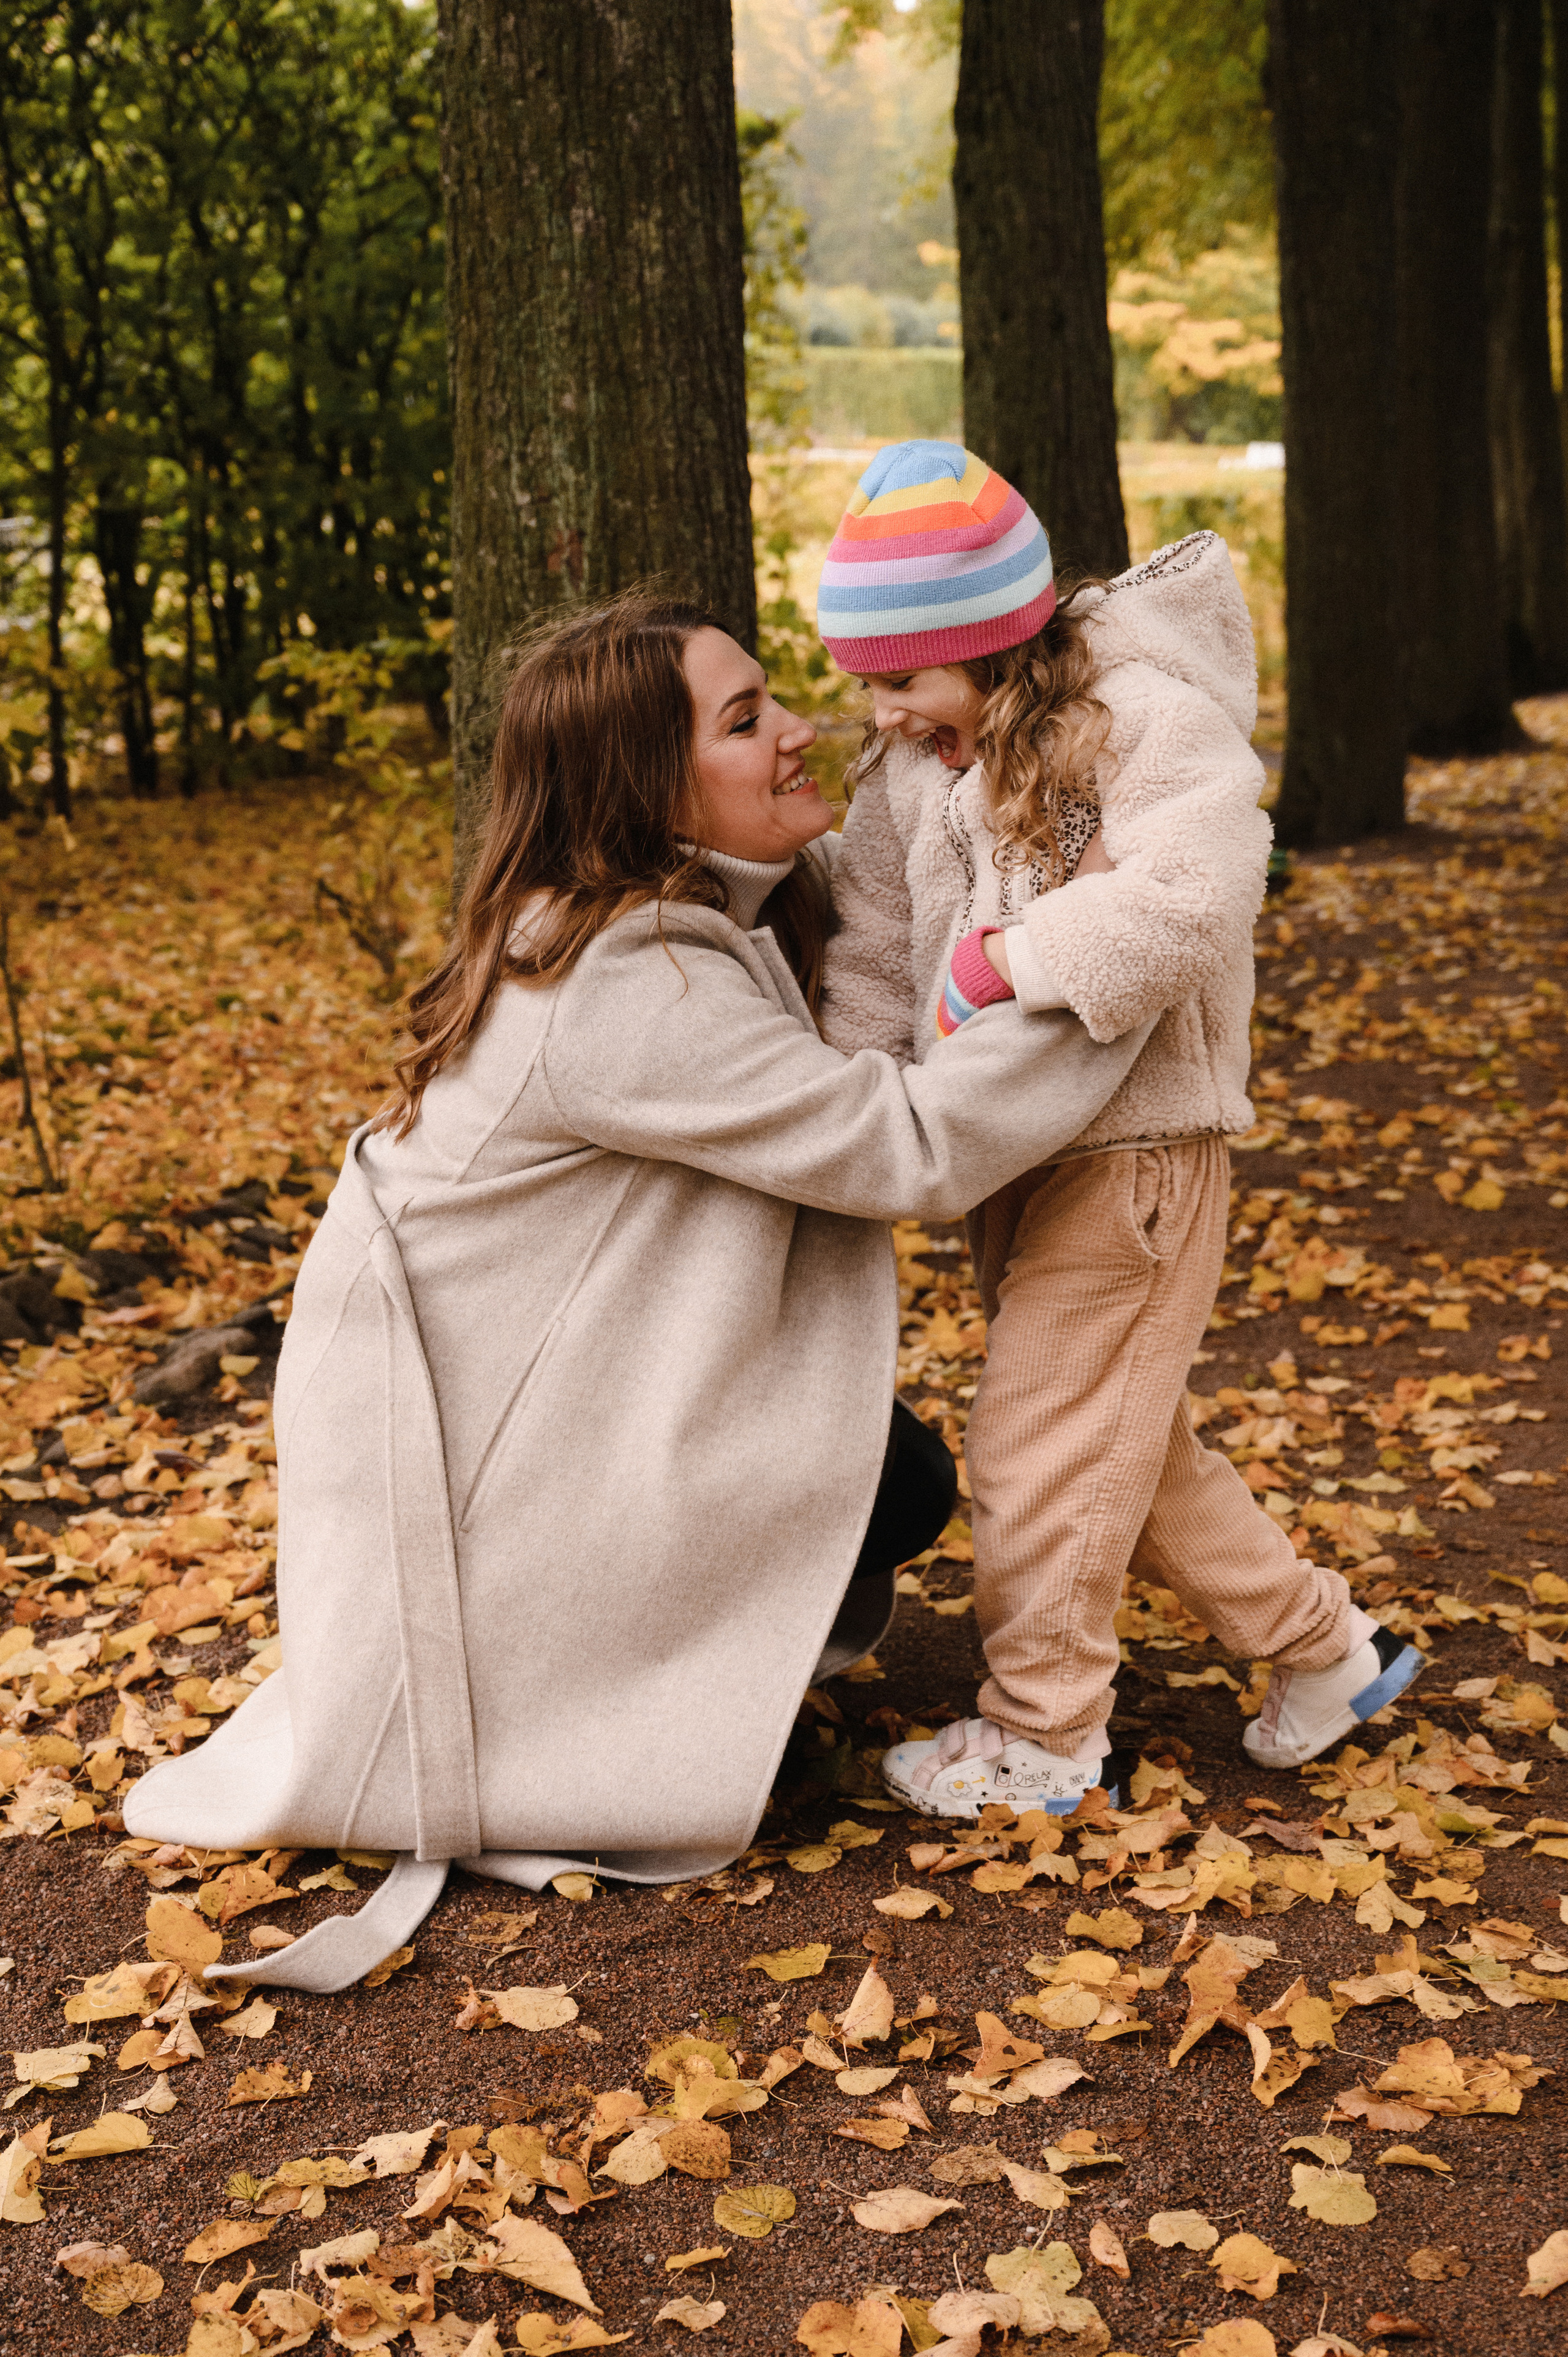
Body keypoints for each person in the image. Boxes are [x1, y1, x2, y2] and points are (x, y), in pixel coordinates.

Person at [123, 590, 1153, 1989]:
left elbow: (896, 887)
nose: (797, 731)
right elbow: (904, 1144)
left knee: (893, 1475)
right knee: (893, 1479)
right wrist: (1108, 974)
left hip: (528, 1401)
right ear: (643, 791)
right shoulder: (622, 982)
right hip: (471, 1462)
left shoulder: (666, 919)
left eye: (772, 695)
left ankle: (669, 1674)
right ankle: (588, 1712)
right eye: (743, 722)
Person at [816, 441, 1423, 1822]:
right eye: (868, 682)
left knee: (1039, 1445)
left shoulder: (1137, 718)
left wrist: (1005, 960)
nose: (885, 710)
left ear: (984, 647)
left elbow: (1198, 890)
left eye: (903, 678)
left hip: (1137, 1150)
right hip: (1006, 1157)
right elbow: (865, 949)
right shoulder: (909, 770)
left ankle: (1042, 1734)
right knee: (1121, 1448)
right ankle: (1330, 1654)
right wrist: (851, 1109)